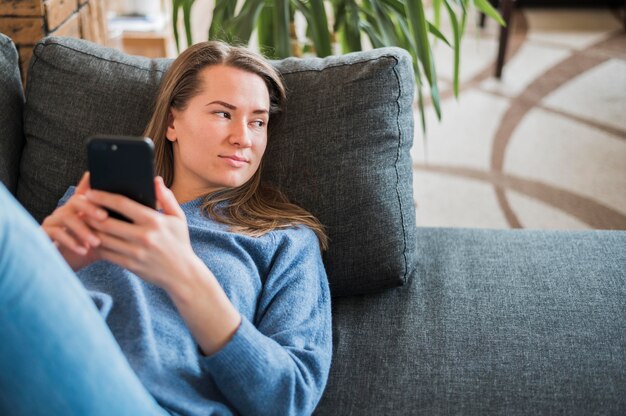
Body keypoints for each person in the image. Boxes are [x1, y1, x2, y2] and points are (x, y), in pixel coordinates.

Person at [0, 41, 332, 416]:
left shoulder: (284, 240)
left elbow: (290, 399)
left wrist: (182, 274)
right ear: (173, 122)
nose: (244, 137)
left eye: (258, 121)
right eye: (224, 114)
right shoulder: (92, 202)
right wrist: (48, 261)